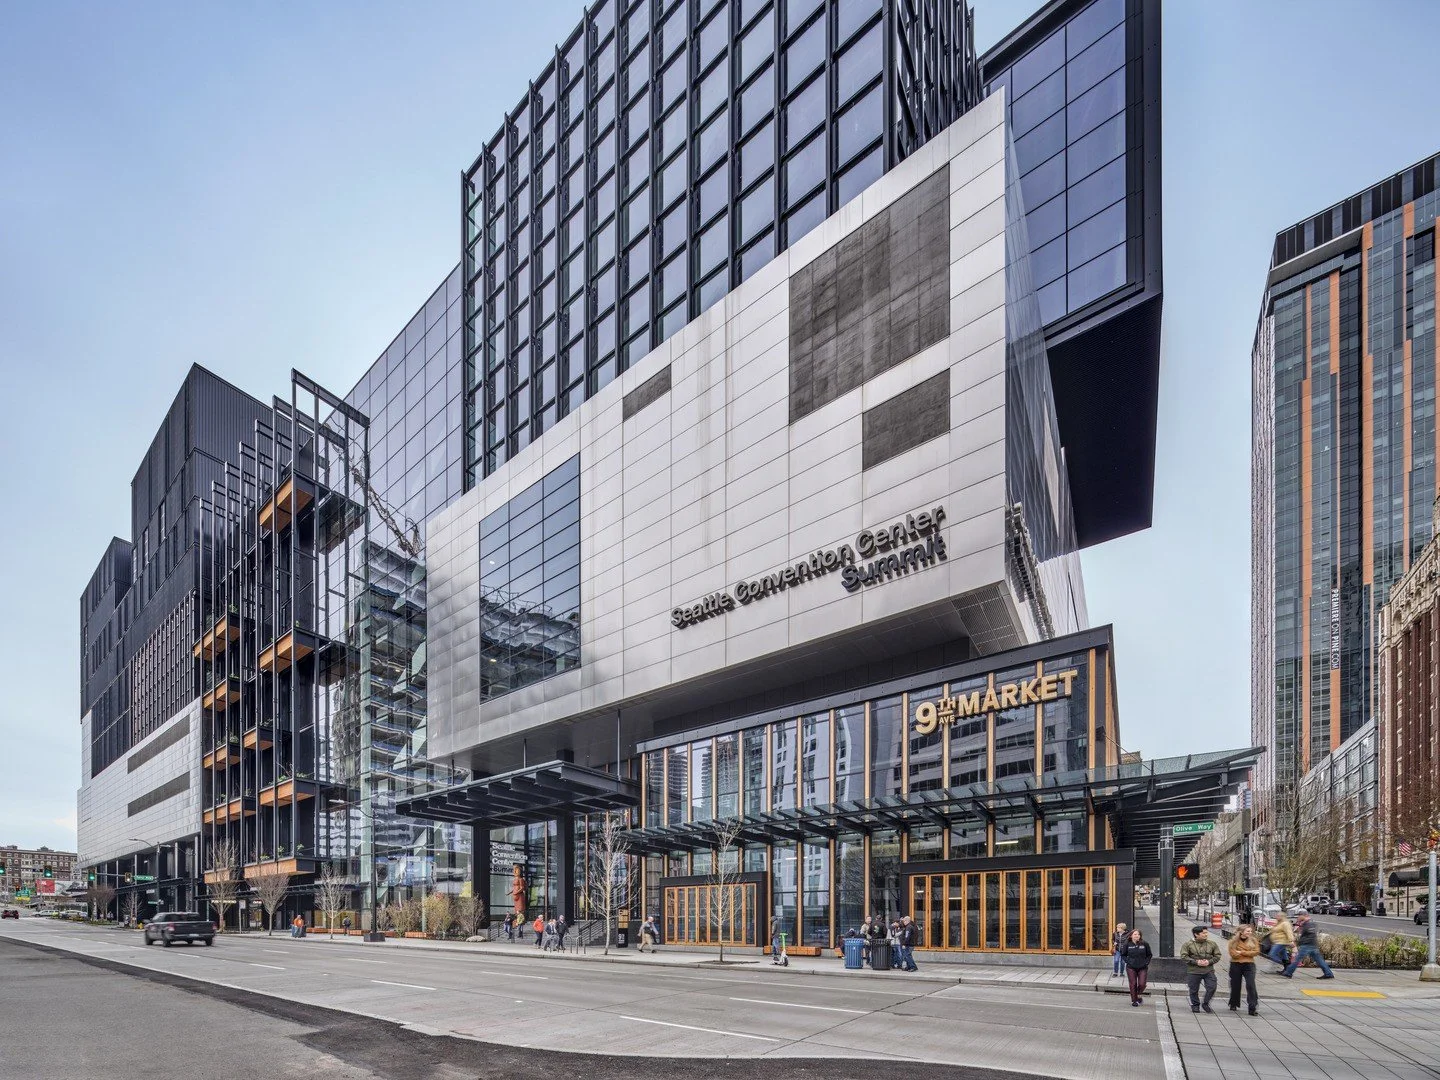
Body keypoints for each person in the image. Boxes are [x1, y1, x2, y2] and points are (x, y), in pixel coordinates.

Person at [1179, 926, 1221, 1013]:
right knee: (1193, 989)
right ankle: (1195, 1005)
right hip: (1194, 971)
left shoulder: (1212, 944)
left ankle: (1206, 1003)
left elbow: (1217, 955)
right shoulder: (1188, 944)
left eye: (1206, 933)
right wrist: (1196, 962)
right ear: (1196, 934)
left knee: (1212, 987)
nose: (1206, 934)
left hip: (1208, 970)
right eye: (1204, 933)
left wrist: (1209, 962)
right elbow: (1184, 956)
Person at [1227, 923, 1261, 1016]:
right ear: (1241, 932)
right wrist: (1248, 952)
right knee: (1235, 985)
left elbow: (1256, 952)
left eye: (1250, 931)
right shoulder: (1233, 941)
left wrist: (1242, 952)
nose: (1250, 933)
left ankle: (1252, 1007)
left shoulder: (1253, 940)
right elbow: (1233, 954)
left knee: (1251, 985)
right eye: (1248, 931)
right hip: (1235, 964)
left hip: (1249, 965)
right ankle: (1234, 1003)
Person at [1119, 928, 1152, 1007]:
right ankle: (1135, 1000)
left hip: (1142, 967)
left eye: (1138, 934)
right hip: (1131, 967)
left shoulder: (1144, 944)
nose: (1137, 936)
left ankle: (1138, 994)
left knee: (1142, 984)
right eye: (1135, 934)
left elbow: (1149, 955)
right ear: (1131, 936)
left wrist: (1146, 962)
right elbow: (1123, 954)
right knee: (1133, 984)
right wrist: (1128, 961)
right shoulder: (1127, 944)